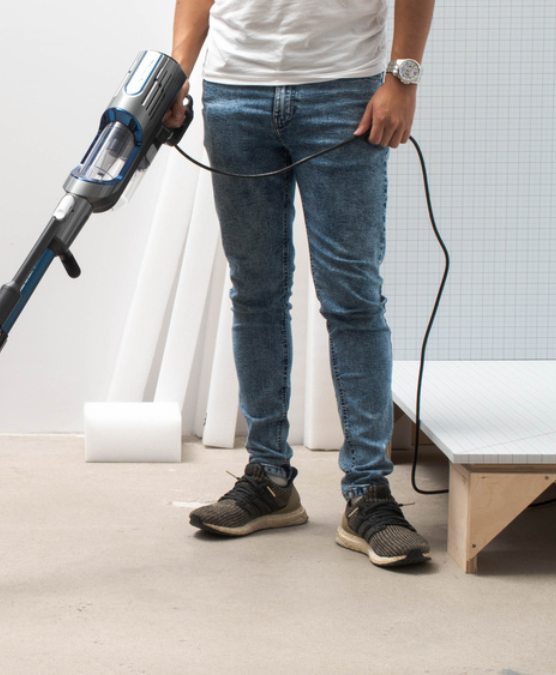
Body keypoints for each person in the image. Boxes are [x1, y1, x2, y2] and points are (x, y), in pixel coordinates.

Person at [162, 0, 436, 567]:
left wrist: (403, 78)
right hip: (234, 91)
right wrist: (177, 71)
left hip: (344, 89)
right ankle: (268, 478)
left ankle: (368, 492)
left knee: (354, 300)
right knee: (255, 293)